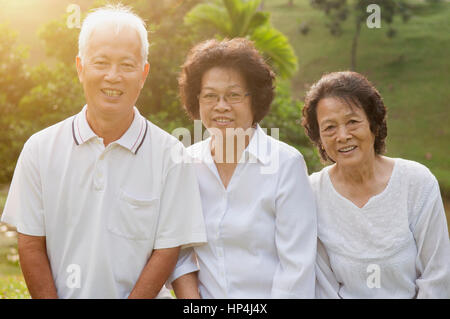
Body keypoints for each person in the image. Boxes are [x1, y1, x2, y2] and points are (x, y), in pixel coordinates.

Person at [1, 4, 206, 299]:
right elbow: (31, 244)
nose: (113, 76)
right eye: (101, 62)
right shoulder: (39, 149)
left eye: (126, 65)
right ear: (80, 67)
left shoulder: (171, 155)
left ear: (143, 73)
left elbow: (167, 250)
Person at [168, 38, 317, 298]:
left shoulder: (285, 164)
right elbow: (180, 255)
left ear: (255, 100)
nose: (221, 106)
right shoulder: (186, 164)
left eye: (234, 95)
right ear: (197, 100)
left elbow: (297, 268)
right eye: (210, 96)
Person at [302, 71, 450, 298]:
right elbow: (322, 285)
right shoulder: (311, 193)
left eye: (352, 122)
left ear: (374, 124)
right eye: (329, 127)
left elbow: (438, 275)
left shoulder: (417, 182)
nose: (342, 136)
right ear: (319, 137)